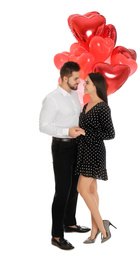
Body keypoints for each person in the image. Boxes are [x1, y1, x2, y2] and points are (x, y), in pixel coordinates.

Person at [39, 61, 90, 250]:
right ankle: (57, 235)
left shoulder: (73, 95)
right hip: (62, 147)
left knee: (75, 186)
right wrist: (67, 131)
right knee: (62, 190)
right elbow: (43, 126)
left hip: (77, 146)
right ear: (65, 78)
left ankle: (70, 223)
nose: (79, 82)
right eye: (76, 78)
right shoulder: (52, 99)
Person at [75, 73, 116, 244]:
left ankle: (102, 227)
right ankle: (94, 231)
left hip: (95, 152)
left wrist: (87, 133)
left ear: (96, 86)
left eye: (88, 82)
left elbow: (110, 134)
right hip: (84, 151)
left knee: (81, 189)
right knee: (91, 191)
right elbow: (84, 129)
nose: (84, 84)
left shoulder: (102, 107)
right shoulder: (85, 106)